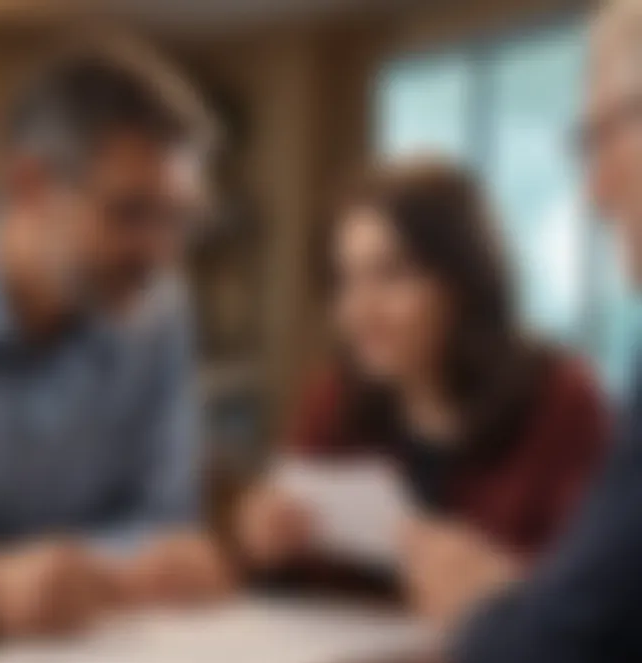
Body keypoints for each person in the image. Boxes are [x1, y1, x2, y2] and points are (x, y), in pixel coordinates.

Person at [0, 40, 231, 639]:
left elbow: (164, 518)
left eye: (179, 219)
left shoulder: (159, 308)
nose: (163, 256)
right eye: (132, 213)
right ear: (29, 186)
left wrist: (166, 560)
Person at [401, 1, 642, 663]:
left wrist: (488, 607)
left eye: (603, 135)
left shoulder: (562, 392)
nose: (595, 191)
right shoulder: (339, 393)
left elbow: (574, 648)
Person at [236, 161, 608, 579]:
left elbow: (602, 597)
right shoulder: (334, 398)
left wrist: (508, 586)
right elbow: (292, 578)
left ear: (462, 282)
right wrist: (270, 539)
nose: (358, 312)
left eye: (391, 275)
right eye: (345, 281)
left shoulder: (560, 400)